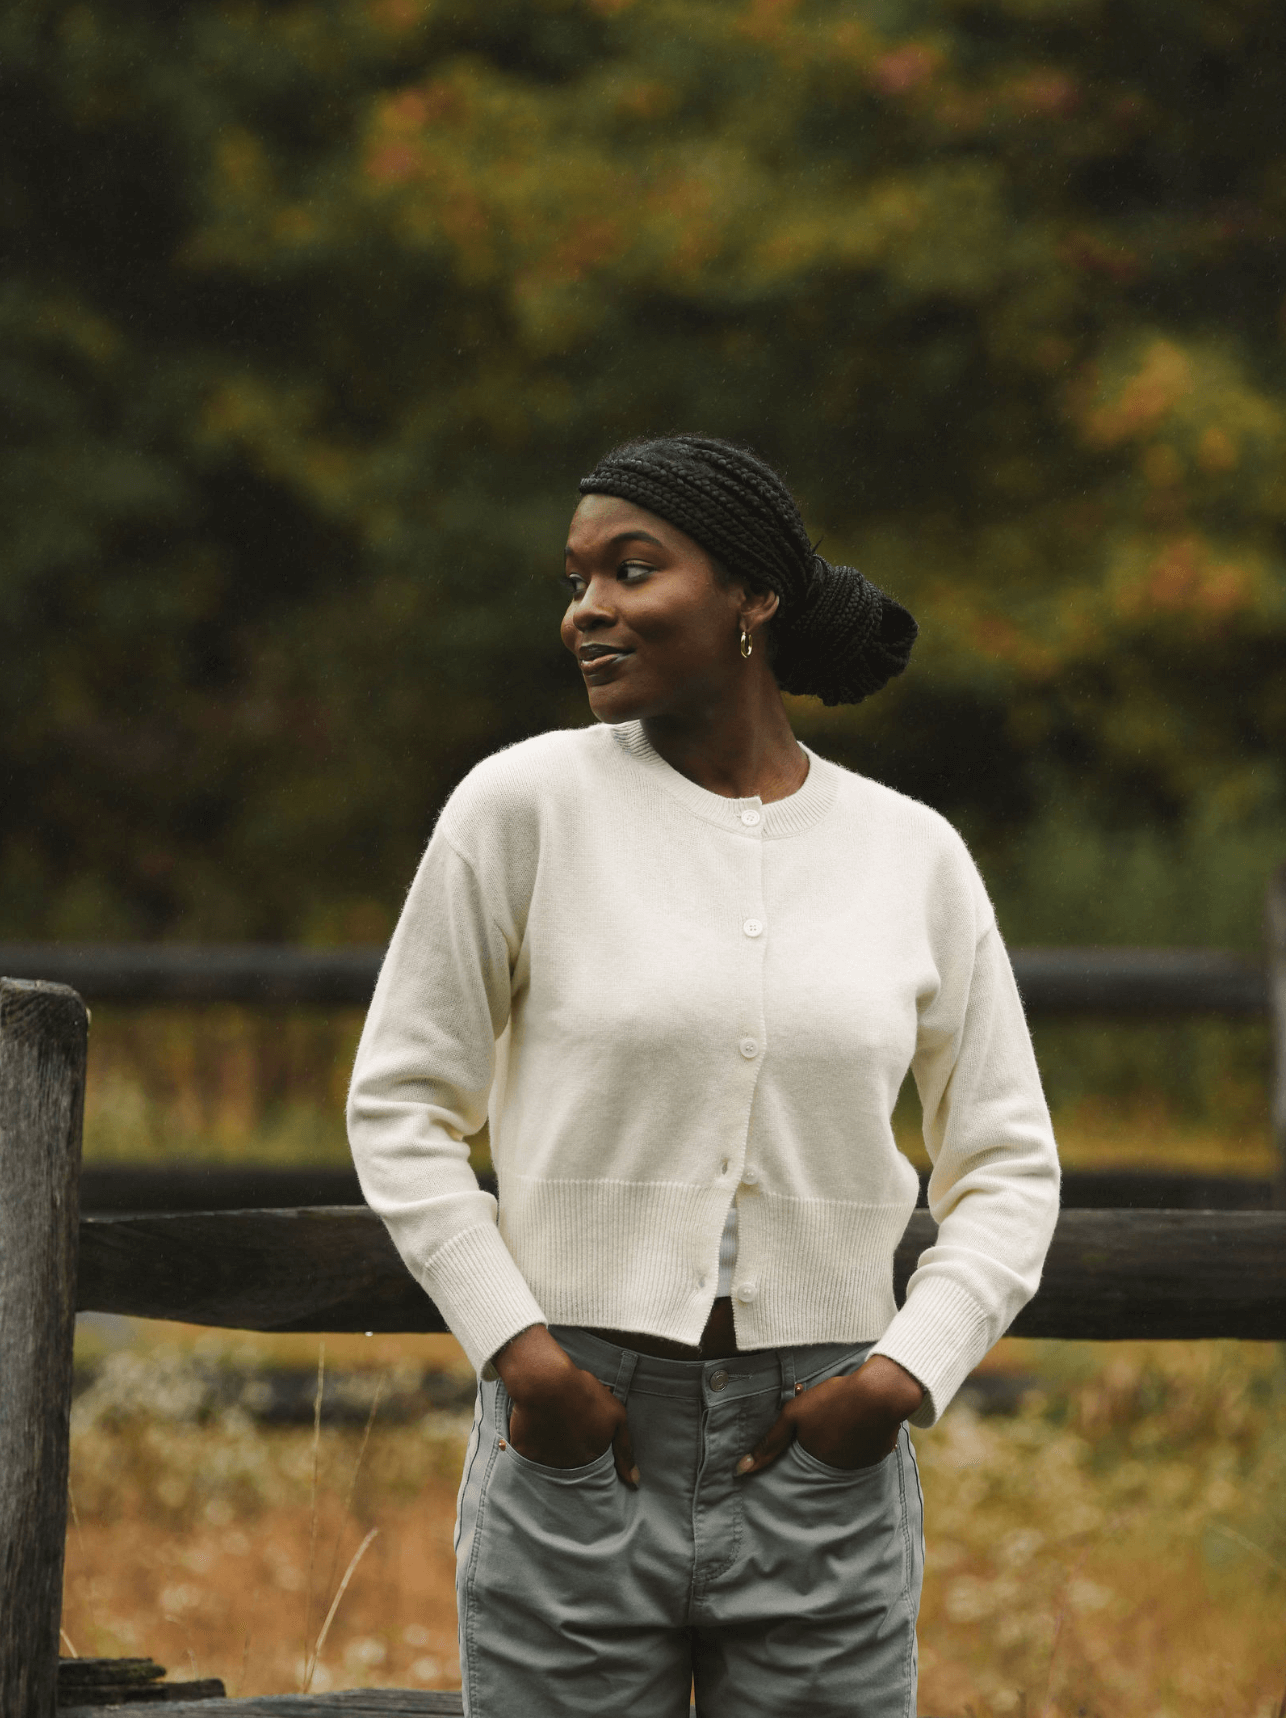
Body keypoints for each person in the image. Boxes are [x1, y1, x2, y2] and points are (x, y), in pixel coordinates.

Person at [347, 434, 1060, 1718]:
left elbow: (1006, 1161)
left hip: (823, 1445)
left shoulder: (912, 854)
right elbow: (399, 1107)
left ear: (753, 597)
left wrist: (900, 1375)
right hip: (576, 1432)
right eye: (574, 582)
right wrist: (524, 1353)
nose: (588, 612)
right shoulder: (520, 809)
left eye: (631, 569)